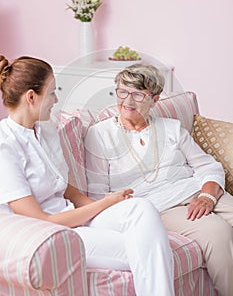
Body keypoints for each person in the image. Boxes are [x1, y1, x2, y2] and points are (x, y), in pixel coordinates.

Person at [0, 55, 175, 296]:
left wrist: (105, 209)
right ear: (31, 97)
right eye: (52, 92)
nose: (56, 99)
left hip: (72, 214)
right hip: (55, 234)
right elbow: (42, 220)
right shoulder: (4, 146)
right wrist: (105, 203)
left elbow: (65, 188)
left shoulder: (47, 129)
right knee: (151, 250)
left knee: (140, 208)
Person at [85, 63, 233, 296]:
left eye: (138, 95)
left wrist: (207, 195)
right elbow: (97, 192)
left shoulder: (172, 128)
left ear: (155, 100)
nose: (127, 101)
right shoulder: (99, 134)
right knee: (217, 232)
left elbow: (208, 167)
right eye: (122, 92)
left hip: (197, 190)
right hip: (159, 206)